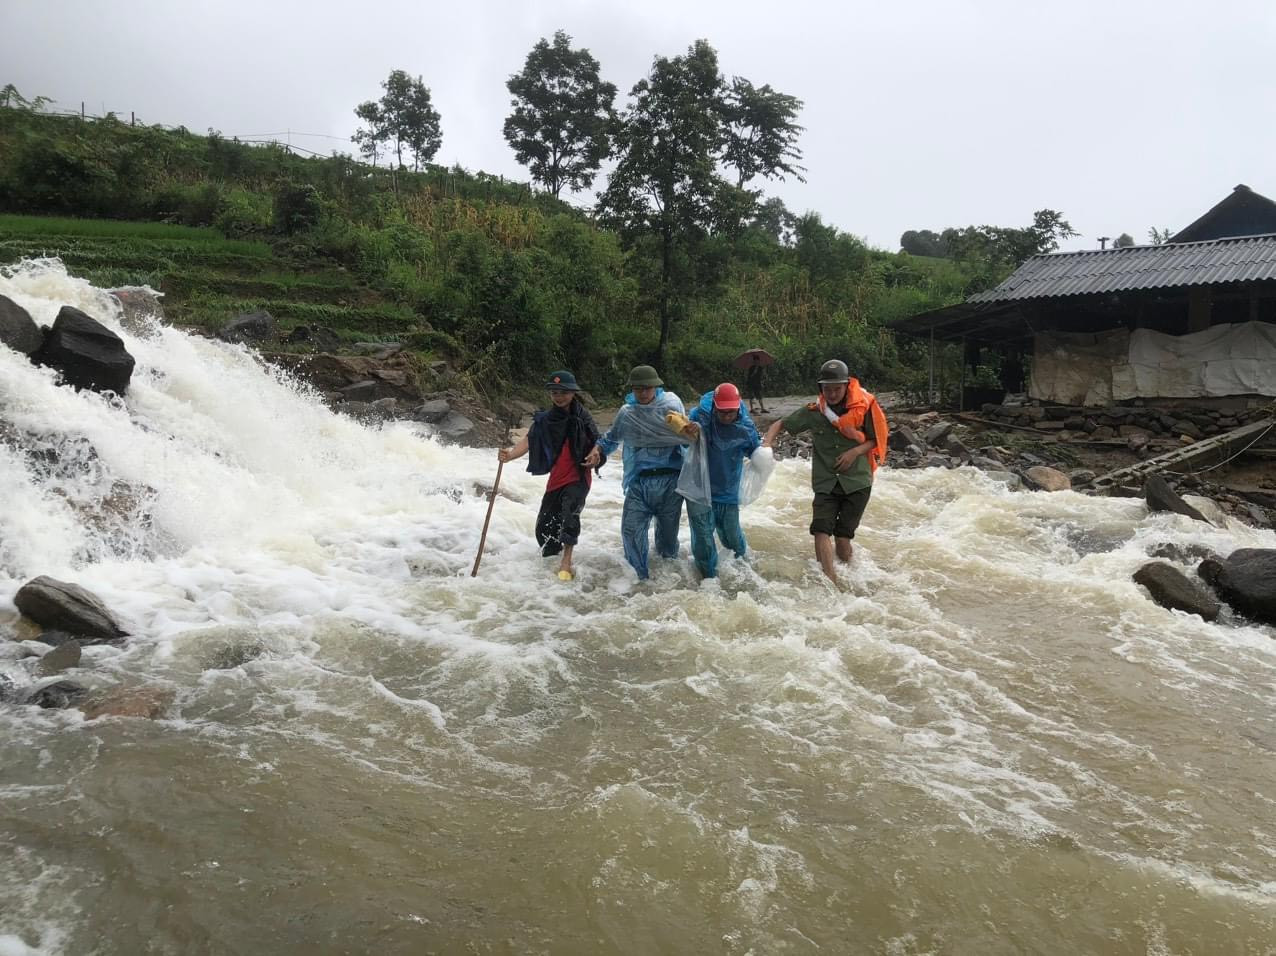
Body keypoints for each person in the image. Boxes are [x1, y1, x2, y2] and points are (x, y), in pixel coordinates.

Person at [761, 359, 888, 583]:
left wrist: (854, 452)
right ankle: (831, 581)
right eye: (827, 389)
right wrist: (767, 444)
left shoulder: (863, 408)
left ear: (847, 386)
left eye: (837, 389)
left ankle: (852, 572)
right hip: (825, 481)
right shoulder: (814, 412)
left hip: (857, 481)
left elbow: (876, 440)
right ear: (821, 388)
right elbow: (780, 424)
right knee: (820, 530)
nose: (832, 394)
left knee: (842, 539)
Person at [583, 365, 690, 580]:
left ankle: (670, 580)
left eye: (647, 388)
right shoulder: (627, 413)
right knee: (631, 532)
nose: (642, 393)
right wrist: (597, 450)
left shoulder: (671, 405)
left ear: (656, 387)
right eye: (637, 389)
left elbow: (687, 438)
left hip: (671, 481)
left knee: (668, 539)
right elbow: (612, 438)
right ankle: (639, 580)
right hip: (640, 481)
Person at [498, 370, 604, 581]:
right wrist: (509, 455)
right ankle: (551, 560)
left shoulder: (583, 418)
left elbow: (598, 444)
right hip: (557, 478)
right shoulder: (546, 420)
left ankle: (566, 561)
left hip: (578, 476)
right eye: (555, 392)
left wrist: (596, 457)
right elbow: (529, 441)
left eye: (564, 392)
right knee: (544, 527)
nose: (559, 396)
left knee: (569, 515)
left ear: (573, 393)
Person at [681, 382, 761, 579]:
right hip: (699, 489)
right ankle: (709, 579)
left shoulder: (745, 428)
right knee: (703, 539)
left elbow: (756, 454)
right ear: (714, 407)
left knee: (732, 536)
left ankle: (745, 570)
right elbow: (684, 441)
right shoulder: (700, 417)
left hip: (728, 490)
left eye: (731, 412)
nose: (726, 416)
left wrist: (765, 456)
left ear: (738, 408)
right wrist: (688, 431)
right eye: (722, 412)